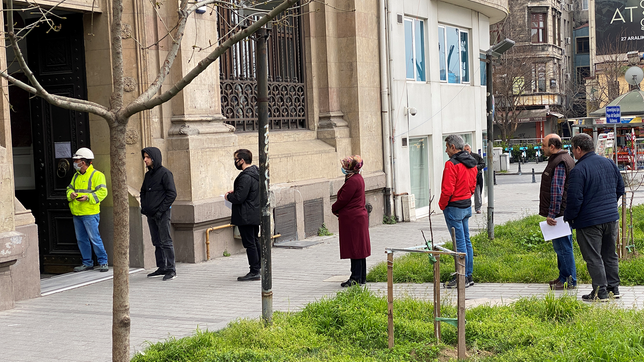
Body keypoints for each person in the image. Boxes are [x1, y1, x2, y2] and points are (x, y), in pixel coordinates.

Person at [564, 133, 624, 302]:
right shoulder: (609, 163)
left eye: (573, 149)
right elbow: (620, 188)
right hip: (611, 218)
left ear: (578, 149)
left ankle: (600, 291)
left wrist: (570, 217)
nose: (572, 153)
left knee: (593, 257)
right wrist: (610, 205)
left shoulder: (578, 170)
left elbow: (574, 199)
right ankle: (614, 288)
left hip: (589, 221)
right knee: (610, 254)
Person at [539, 134, 577, 290]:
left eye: (543, 145)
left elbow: (557, 191)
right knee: (562, 246)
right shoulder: (562, 159)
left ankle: (569, 279)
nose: (542, 148)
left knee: (563, 247)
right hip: (562, 212)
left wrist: (552, 213)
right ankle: (563, 277)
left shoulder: (559, 162)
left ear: (552, 147)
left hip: (559, 214)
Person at [439, 135, 478, 288]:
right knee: (466, 241)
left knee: (459, 243)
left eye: (447, 147)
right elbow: (473, 185)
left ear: (453, 147)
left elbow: (447, 189)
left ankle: (461, 278)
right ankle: (468, 275)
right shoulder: (472, 163)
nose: (446, 150)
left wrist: (442, 205)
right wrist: (467, 196)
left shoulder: (451, 164)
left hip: (454, 206)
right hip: (466, 205)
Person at [67, 147, 109, 272]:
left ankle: (103, 261)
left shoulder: (97, 175)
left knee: (94, 238)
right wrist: (71, 195)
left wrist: (88, 197)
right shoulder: (76, 176)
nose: (75, 163)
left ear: (83, 162)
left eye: (77, 161)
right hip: (77, 212)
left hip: (90, 212)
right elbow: (69, 189)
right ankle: (87, 262)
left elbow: (103, 192)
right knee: (81, 239)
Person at [332, 155, 371, 287]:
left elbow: (343, 199)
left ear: (350, 168)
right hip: (357, 218)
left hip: (353, 219)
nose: (343, 168)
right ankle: (361, 277)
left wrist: (334, 207)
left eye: (344, 165)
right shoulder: (358, 178)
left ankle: (355, 278)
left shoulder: (353, 181)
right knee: (359, 249)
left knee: (355, 249)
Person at [141, 147, 178, 281]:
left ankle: (171, 269)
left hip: (162, 213)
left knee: (165, 241)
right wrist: (144, 207)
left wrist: (161, 210)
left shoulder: (165, 174)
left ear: (154, 158)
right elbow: (143, 192)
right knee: (156, 241)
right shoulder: (148, 175)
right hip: (150, 214)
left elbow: (172, 194)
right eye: (144, 157)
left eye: (147, 157)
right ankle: (162, 266)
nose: (145, 160)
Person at [225, 149, 261, 281]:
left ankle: (254, 270)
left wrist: (229, 196)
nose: (235, 162)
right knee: (254, 240)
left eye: (236, 159)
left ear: (242, 160)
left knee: (249, 243)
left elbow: (239, 198)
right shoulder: (257, 173)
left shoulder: (245, 176)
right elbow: (249, 192)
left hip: (246, 215)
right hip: (254, 212)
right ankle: (259, 266)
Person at [464, 144, 485, 214]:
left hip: (477, 178)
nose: (466, 151)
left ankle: (478, 208)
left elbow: (483, 164)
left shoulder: (476, 156)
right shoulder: (463, 158)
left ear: (470, 149)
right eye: (465, 150)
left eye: (467, 149)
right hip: (467, 179)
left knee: (477, 193)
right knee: (467, 194)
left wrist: (476, 167)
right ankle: (467, 208)